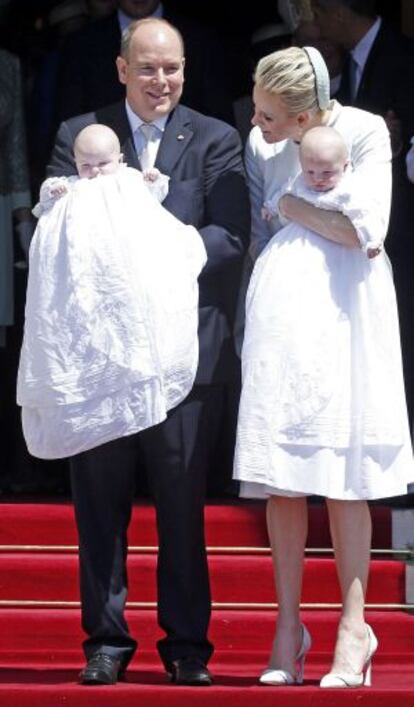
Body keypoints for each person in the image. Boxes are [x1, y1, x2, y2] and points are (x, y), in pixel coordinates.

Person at [46, 17, 250, 686]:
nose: (161, 80)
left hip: (184, 355)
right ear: (121, 69)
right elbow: (54, 234)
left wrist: (156, 252)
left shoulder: (215, 137)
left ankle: (187, 644)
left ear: (185, 70)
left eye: (173, 68)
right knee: (98, 508)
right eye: (149, 67)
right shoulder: (83, 135)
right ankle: (105, 639)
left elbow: (228, 239)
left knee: (182, 508)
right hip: (100, 359)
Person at [233, 45, 414, 688]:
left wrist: (289, 208)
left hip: (348, 307)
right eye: (257, 111)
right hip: (283, 312)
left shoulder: (363, 130)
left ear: (306, 113)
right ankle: (288, 627)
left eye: (271, 115)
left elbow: (364, 231)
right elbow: (261, 234)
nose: (259, 125)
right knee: (282, 475)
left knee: (344, 471)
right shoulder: (262, 148)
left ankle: (353, 626)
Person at [18, 122, 206, 461]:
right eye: (84, 166)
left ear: (119, 159)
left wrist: (151, 181)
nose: (94, 173)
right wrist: (54, 193)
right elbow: (45, 205)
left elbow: (156, 196)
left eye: (102, 165)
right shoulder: (73, 186)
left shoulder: (130, 180)